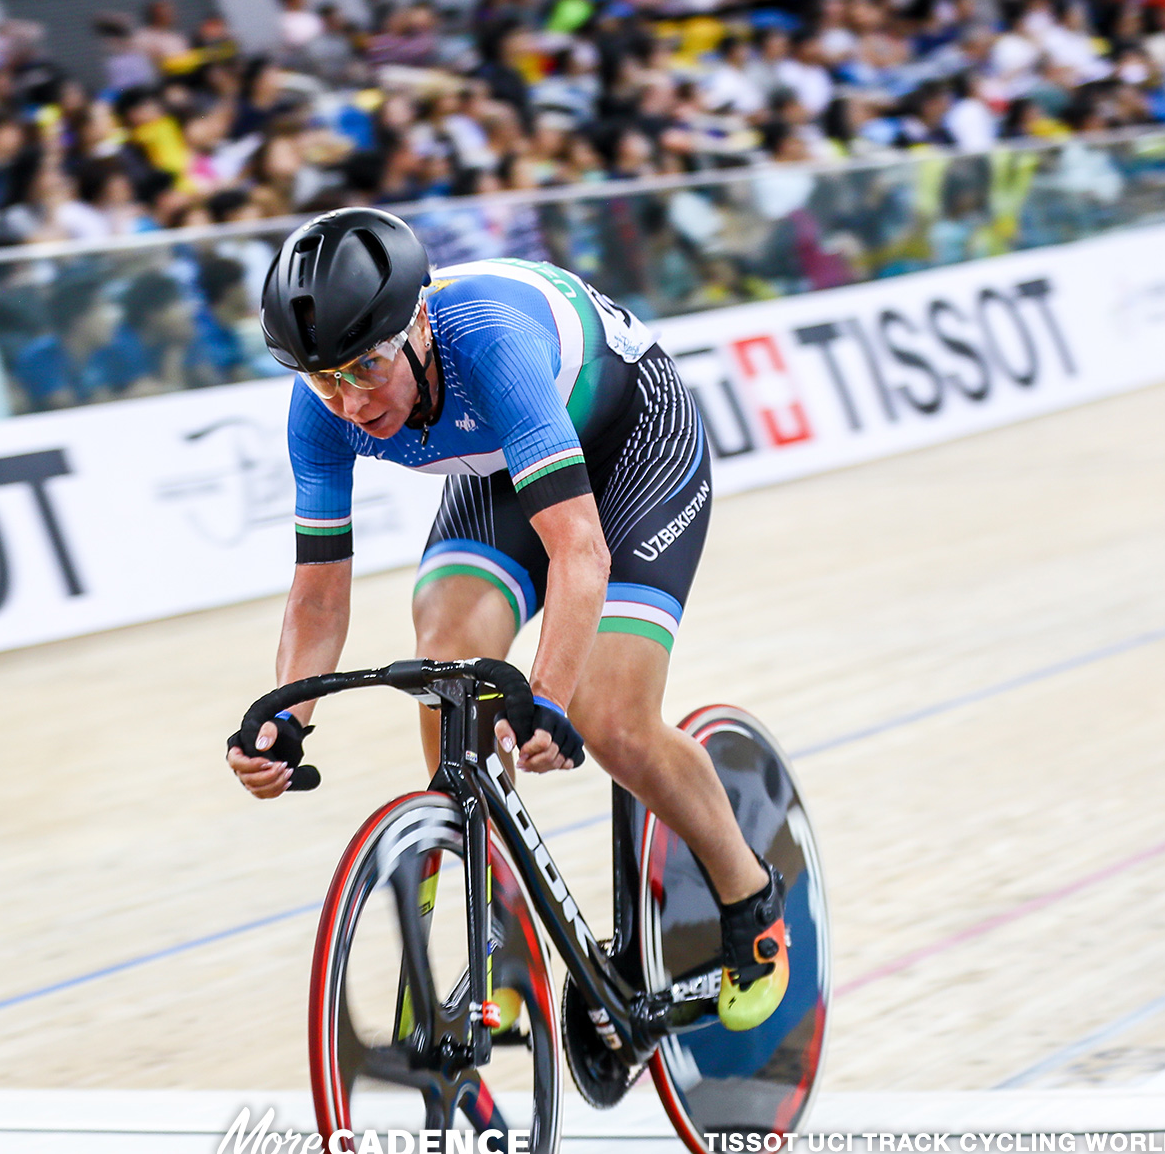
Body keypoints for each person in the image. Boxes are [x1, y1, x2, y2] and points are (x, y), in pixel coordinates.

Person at [224, 208, 790, 1034]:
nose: (351, 402)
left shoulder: (486, 342)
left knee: (608, 718)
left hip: (634, 451)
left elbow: (582, 555)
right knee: (445, 660)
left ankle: (750, 899)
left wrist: (550, 699)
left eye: (367, 368)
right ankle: (501, 928)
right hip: (508, 463)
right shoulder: (322, 409)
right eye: (326, 381)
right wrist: (286, 716)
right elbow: (317, 593)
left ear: (418, 323)